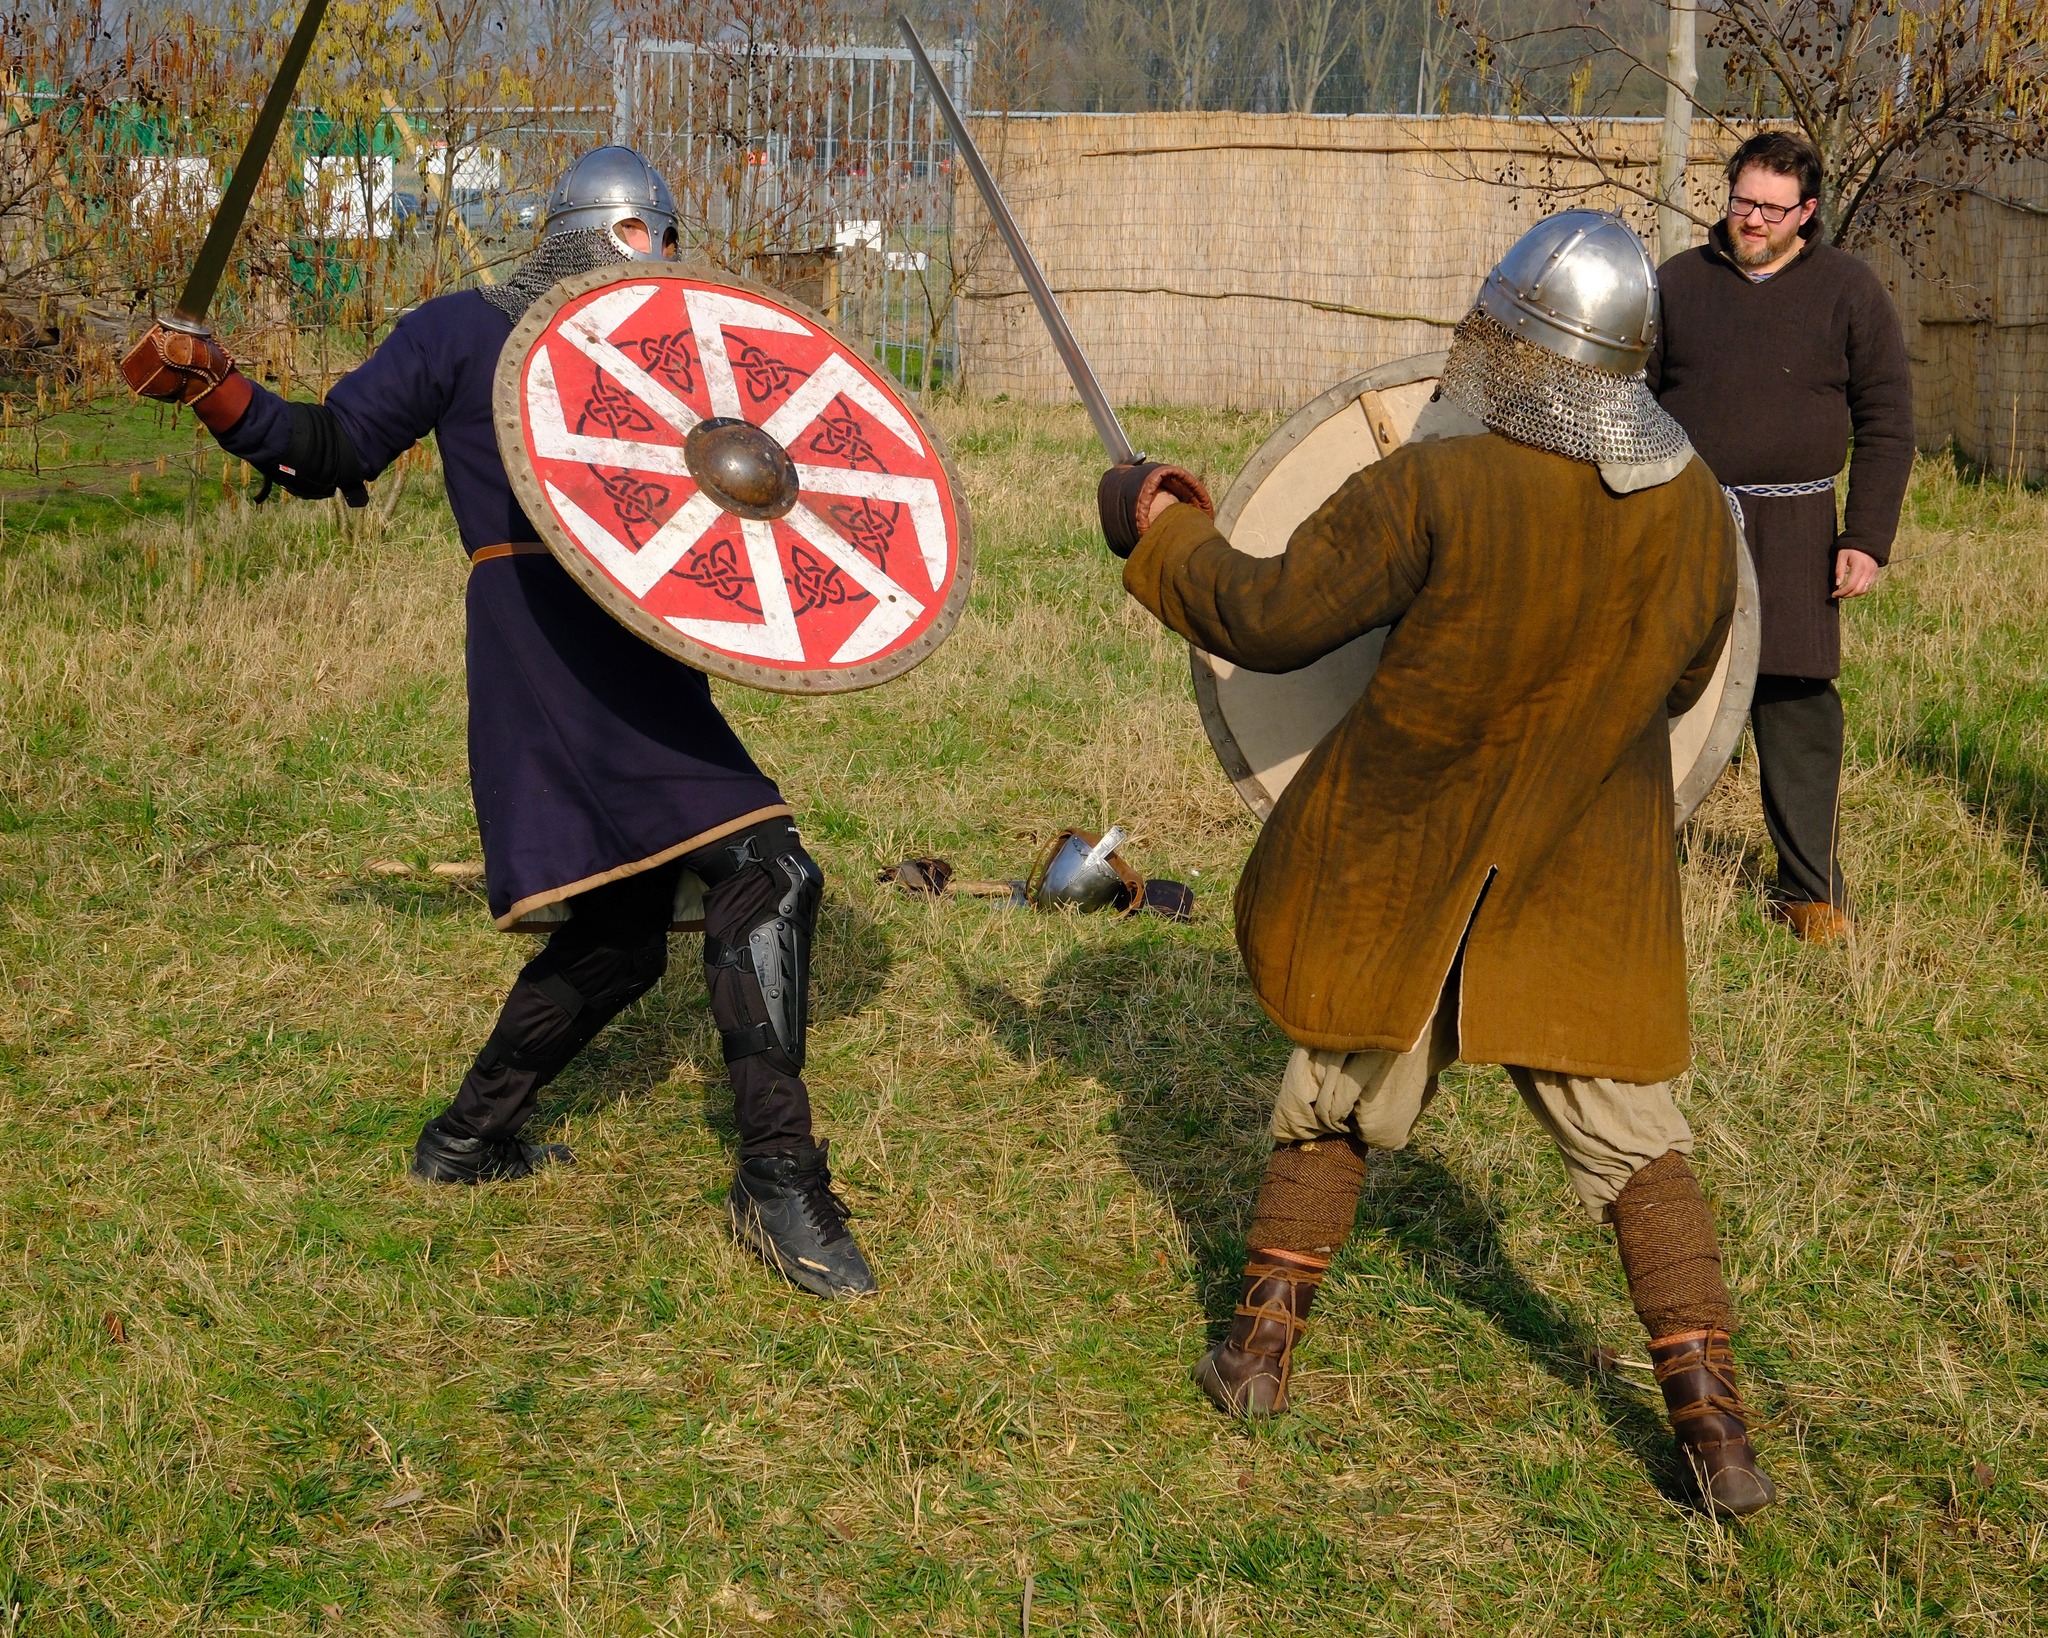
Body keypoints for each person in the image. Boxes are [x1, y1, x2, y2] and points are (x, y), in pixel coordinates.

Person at [1096, 211, 1777, 1517]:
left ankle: (1256, 1352)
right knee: (1639, 1147)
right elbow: (1691, 678)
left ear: (1509, 339)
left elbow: (1272, 614)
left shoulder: (1439, 481)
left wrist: (1159, 531)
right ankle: (1717, 1435)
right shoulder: (1697, 506)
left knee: (1339, 1088)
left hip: (1412, 847)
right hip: (1586, 872)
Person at [119, 147, 877, 1299]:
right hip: (544, 648)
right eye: (652, 239)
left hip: (636, 651)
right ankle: (777, 1179)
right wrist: (215, 386)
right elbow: (328, 449)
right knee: (772, 872)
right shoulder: (464, 330)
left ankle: (466, 1143)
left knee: (622, 931)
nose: (665, 262)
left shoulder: (652, 352)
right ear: (611, 234)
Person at [1650, 131, 1915, 944]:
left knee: (1795, 702)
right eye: (1741, 200)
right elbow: (1628, 400)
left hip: (1798, 526)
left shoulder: (1849, 290)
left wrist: (1865, 535)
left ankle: (1809, 892)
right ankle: (1635, 862)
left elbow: (1887, 424)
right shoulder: (1676, 284)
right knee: (1655, 689)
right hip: (1685, 518)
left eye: (1770, 207)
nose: (1751, 218)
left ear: (1806, 212)